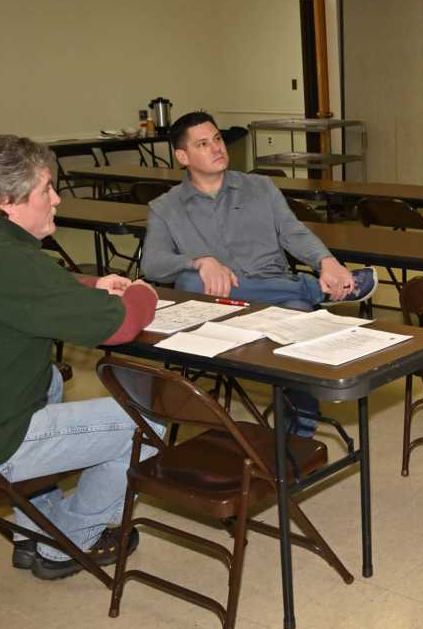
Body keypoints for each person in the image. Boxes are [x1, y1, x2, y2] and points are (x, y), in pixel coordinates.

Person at [0, 135, 159, 580]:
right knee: (147, 426)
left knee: (51, 383)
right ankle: (68, 541)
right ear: (8, 201)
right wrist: (142, 291)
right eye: (47, 189)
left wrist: (89, 287)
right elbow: (120, 325)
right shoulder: (4, 258)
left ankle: (35, 533)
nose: (58, 199)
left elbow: (16, 293)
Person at [140, 111, 376, 432]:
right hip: (219, 308)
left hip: (274, 292)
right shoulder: (165, 207)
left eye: (218, 139)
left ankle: (297, 440)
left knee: (301, 323)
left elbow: (293, 232)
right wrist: (199, 260)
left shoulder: (260, 187)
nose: (217, 148)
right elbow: (151, 263)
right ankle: (311, 290)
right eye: (203, 144)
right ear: (183, 156)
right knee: (189, 280)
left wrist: (326, 262)